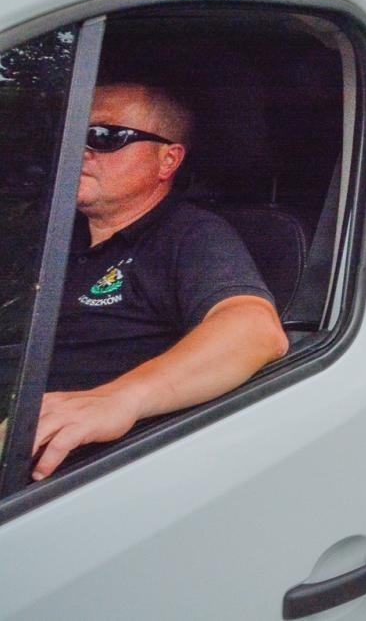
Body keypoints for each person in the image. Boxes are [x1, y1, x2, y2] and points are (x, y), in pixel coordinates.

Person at [30, 83, 289, 480]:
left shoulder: (190, 235)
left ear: (167, 160)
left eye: (103, 136)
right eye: (70, 132)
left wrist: (117, 400)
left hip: (69, 473)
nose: (79, 149)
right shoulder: (47, 234)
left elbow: (254, 331)